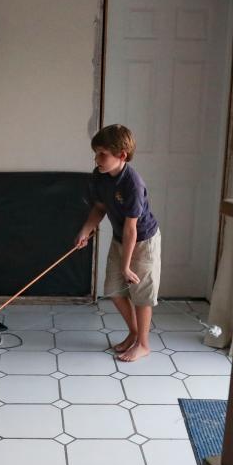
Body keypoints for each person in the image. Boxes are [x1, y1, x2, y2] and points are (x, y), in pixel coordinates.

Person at [75, 125, 161, 362]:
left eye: (102, 154)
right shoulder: (99, 175)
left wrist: (126, 267)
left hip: (142, 241)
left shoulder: (132, 184)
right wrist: (85, 230)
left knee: (142, 295)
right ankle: (133, 333)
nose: (97, 159)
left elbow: (132, 229)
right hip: (119, 238)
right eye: (96, 153)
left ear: (122, 155)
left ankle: (143, 344)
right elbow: (100, 207)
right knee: (113, 289)